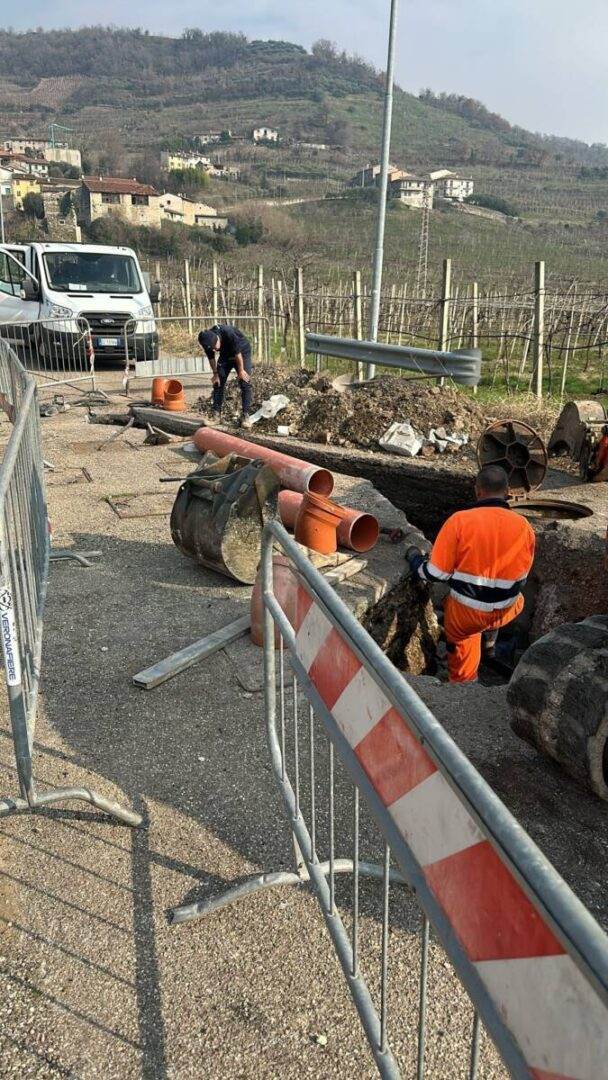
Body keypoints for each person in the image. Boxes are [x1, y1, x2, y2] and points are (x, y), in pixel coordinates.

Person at [406, 465, 535, 684]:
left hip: (467, 616)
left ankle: (465, 685)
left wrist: (415, 558)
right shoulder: (524, 526)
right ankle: (491, 646)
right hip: (507, 610)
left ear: (478, 491)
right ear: (507, 492)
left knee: (461, 632)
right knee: (517, 599)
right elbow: (521, 574)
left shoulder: (459, 521)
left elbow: (434, 573)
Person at [198, 323, 253, 428]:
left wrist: (241, 371)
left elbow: (238, 354)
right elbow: (211, 358)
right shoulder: (207, 339)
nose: (214, 350)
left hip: (242, 351)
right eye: (212, 349)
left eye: (215, 347)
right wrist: (215, 374)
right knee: (218, 382)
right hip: (225, 355)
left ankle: (246, 416)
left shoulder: (228, 333)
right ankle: (216, 416)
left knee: (245, 381)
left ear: (218, 340)